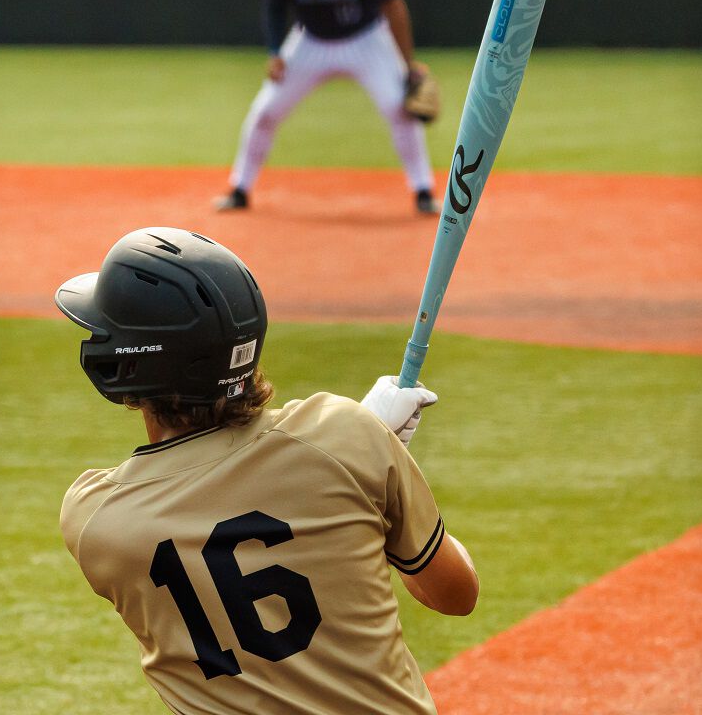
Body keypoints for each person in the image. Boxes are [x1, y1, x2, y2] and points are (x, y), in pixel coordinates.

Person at [56, 226, 478, 715]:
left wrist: (356, 452)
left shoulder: (96, 519)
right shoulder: (343, 437)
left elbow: (224, 496)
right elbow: (455, 593)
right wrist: (373, 455)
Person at [215, 0, 440, 215]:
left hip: (366, 40)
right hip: (310, 41)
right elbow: (274, 5)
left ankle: (423, 190)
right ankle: (240, 189)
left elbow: (393, 5)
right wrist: (275, 51)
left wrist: (407, 64)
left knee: (398, 108)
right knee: (265, 110)